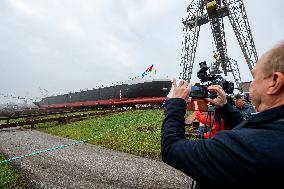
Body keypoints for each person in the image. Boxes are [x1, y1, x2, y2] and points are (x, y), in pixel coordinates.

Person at [161, 41, 284, 188]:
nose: (251, 84)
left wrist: (176, 103)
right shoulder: (273, 130)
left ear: (275, 82)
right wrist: (225, 107)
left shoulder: (249, 147)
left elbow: (172, 149)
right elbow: (248, 128)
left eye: (254, 77)